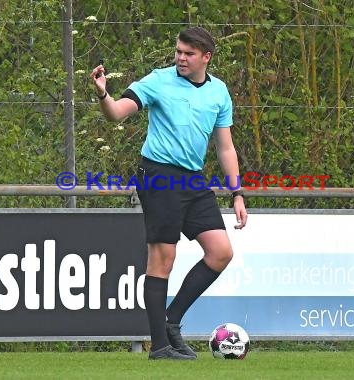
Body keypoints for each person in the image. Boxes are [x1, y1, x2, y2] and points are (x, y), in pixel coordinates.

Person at [91, 26, 247, 360]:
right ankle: (160, 347)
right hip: (158, 175)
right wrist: (104, 95)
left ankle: (171, 322)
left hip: (192, 180)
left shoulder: (219, 92)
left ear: (206, 57)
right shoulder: (159, 80)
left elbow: (225, 147)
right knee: (163, 259)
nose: (181, 58)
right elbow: (117, 114)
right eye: (178, 51)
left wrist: (237, 192)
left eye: (189, 53)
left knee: (220, 252)